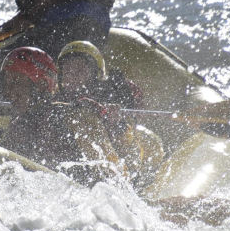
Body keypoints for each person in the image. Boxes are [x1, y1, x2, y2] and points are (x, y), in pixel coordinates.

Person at [0, 46, 124, 184]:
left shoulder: (75, 116)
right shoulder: (19, 125)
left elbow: (112, 176)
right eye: (7, 84)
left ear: (42, 85)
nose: (9, 92)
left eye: (16, 83)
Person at [55, 40, 163, 185]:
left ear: (95, 75)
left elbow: (128, 147)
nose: (73, 77)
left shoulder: (112, 97)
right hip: (73, 164)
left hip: (117, 167)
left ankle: (118, 182)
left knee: (151, 140)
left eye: (80, 71)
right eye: (67, 71)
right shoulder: (55, 98)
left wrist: (115, 123)